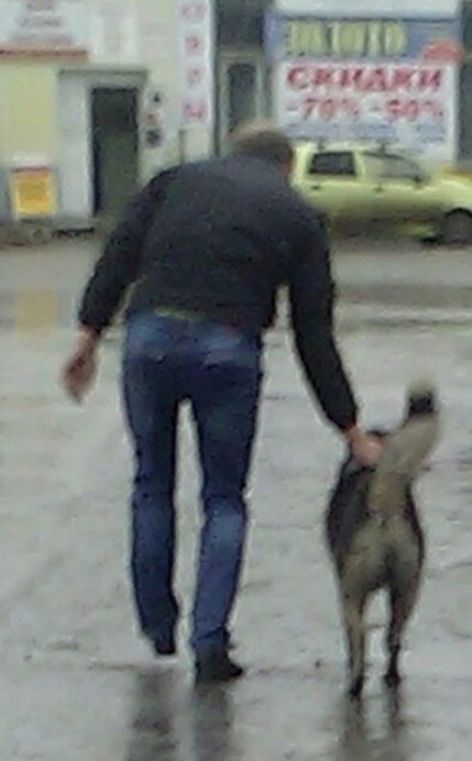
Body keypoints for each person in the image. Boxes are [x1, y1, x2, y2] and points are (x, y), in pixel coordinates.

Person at [60, 121, 383, 684]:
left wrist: (87, 336)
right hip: (228, 352)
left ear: (230, 154)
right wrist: (350, 427)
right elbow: (314, 333)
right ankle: (209, 642)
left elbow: (118, 257)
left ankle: (158, 626)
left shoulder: (173, 181)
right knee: (225, 500)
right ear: (287, 167)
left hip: (150, 340)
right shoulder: (298, 215)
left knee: (151, 484)